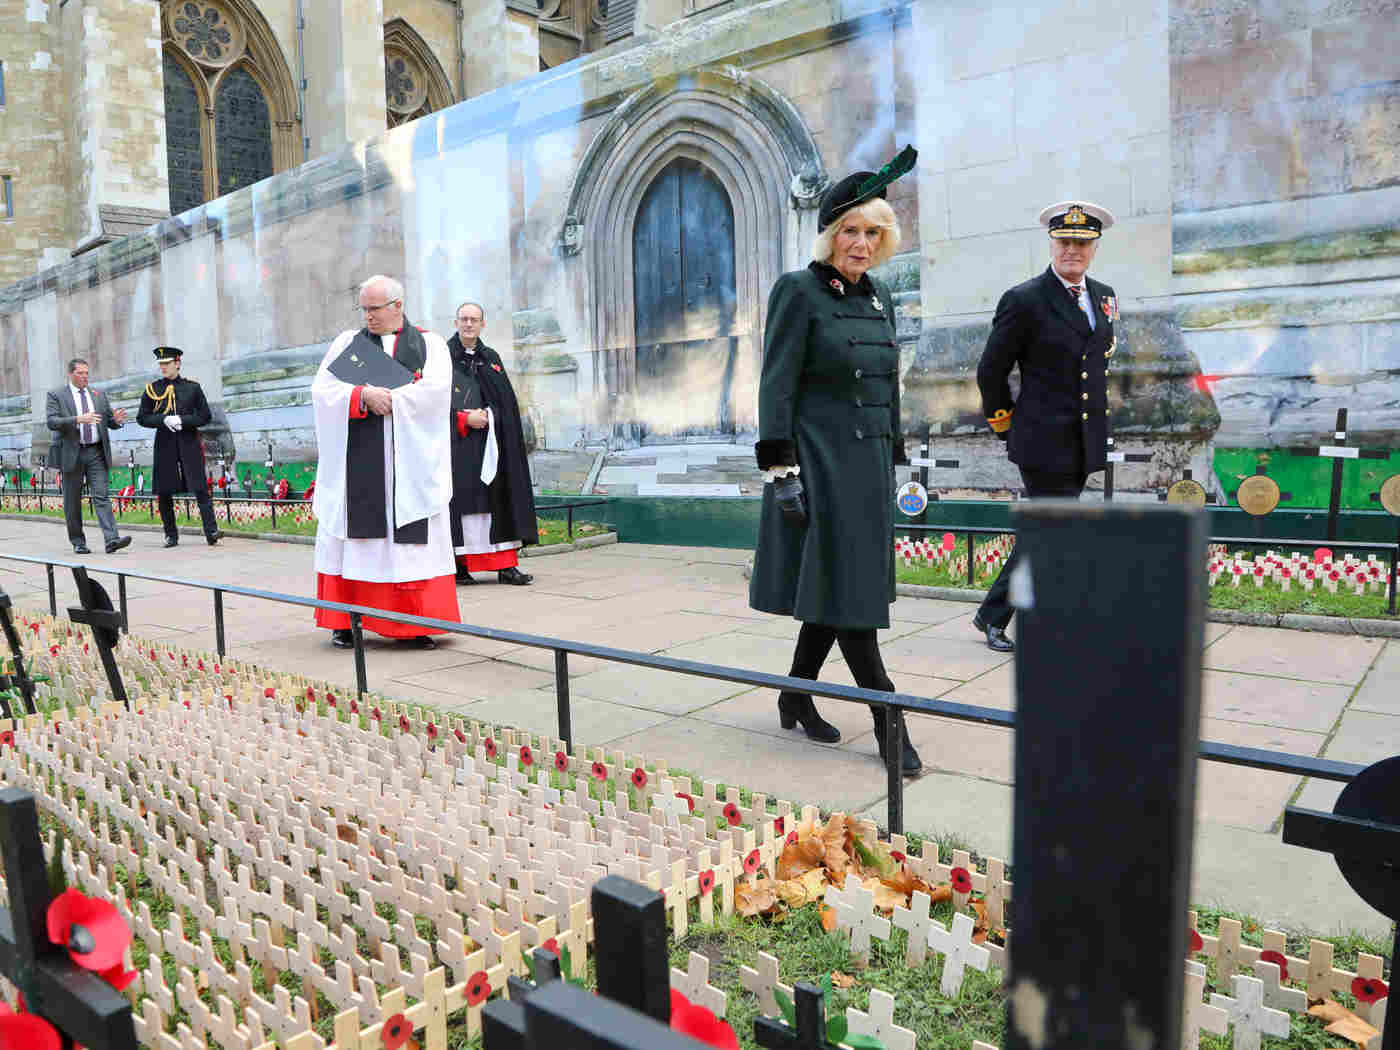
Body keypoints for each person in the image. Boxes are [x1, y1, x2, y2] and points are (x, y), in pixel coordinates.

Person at [748, 146, 923, 776]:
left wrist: (901, 463)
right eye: (850, 230)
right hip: (819, 467)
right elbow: (776, 387)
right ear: (829, 236)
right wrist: (782, 472)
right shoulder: (798, 291)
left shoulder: (879, 299)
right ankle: (888, 719)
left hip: (868, 471)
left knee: (836, 589)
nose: (860, 243)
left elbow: (889, 386)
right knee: (851, 599)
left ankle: (796, 692)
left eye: (873, 232)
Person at [972, 201, 1118, 652]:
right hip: (1041, 438)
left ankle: (999, 614)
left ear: (1094, 247)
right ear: (1051, 243)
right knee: (1049, 527)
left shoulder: (1105, 295)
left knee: (1051, 528)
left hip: (1082, 438)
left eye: (1082, 243)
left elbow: (1096, 364)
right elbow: (990, 371)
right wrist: (1005, 425)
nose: (1072, 250)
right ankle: (1002, 616)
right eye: (1064, 242)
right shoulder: (1025, 299)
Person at [310, 274, 460, 650]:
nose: (368, 317)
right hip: (358, 466)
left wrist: (393, 400)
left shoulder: (429, 345)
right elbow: (323, 390)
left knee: (411, 546)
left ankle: (415, 624)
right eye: (363, 309)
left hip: (409, 467)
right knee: (352, 538)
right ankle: (346, 620)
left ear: (397, 306)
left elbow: (437, 392)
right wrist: (362, 395)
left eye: (374, 309)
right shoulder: (349, 343)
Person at [446, 301, 538, 585]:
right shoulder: (443, 358)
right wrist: (462, 418)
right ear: (456, 323)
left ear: (482, 324)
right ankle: (459, 566)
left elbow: (507, 403)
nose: (469, 324)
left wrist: (491, 416)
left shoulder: (491, 358)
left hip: (492, 443)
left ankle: (505, 566)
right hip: (457, 447)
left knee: (498, 500)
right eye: (464, 319)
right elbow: (430, 404)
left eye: (474, 319)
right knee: (460, 504)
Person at [136, 347, 225, 547]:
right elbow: (142, 417)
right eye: (161, 364)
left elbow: (204, 416)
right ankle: (171, 534)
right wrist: (163, 420)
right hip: (165, 442)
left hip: (188, 441)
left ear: (177, 363)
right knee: (164, 490)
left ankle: (211, 531)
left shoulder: (192, 388)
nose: (163, 367)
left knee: (200, 487)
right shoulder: (153, 389)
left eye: (166, 363)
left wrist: (182, 420)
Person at [45, 358, 132, 555]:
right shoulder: (57, 395)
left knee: (101, 496)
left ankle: (112, 540)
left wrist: (116, 421)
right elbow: (52, 421)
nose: (85, 376)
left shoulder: (98, 394)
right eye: (81, 373)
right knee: (72, 500)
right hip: (71, 453)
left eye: (87, 373)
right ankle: (78, 542)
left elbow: (108, 420)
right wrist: (77, 419)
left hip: (95, 452)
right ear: (71, 374)